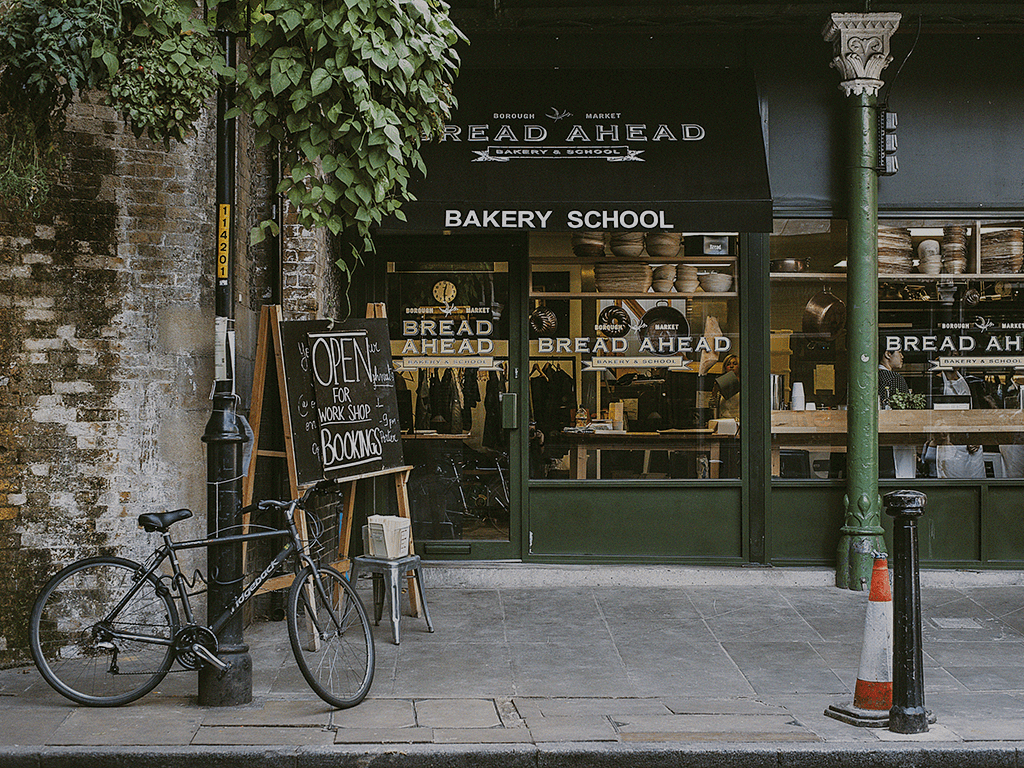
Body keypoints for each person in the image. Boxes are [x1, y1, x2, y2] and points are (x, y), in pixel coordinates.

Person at [934, 368, 985, 479]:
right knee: (951, 482)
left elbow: (978, 412)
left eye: (957, 354)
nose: (955, 356)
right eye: (951, 353)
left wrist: (976, 435)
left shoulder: (971, 382)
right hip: (949, 440)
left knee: (975, 482)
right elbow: (931, 415)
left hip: (971, 439)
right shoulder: (935, 382)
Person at [878, 345, 916, 477]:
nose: (902, 356)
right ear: (888, 354)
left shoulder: (870, 377)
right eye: (899, 352)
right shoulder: (895, 378)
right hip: (896, 437)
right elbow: (908, 410)